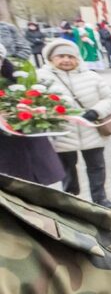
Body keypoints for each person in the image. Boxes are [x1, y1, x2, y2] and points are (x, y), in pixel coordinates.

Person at [36, 39, 111, 208]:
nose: (66, 60)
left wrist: (96, 111)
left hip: (91, 130)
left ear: (77, 59)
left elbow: (110, 98)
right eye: (61, 56)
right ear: (51, 58)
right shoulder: (41, 79)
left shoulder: (91, 76)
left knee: (96, 166)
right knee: (67, 168)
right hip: (62, 132)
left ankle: (100, 198)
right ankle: (71, 198)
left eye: (70, 56)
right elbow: (34, 102)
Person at [0, 43, 65, 187]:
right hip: (7, 163)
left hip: (38, 155)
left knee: (51, 196)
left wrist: (38, 112)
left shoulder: (20, 81)